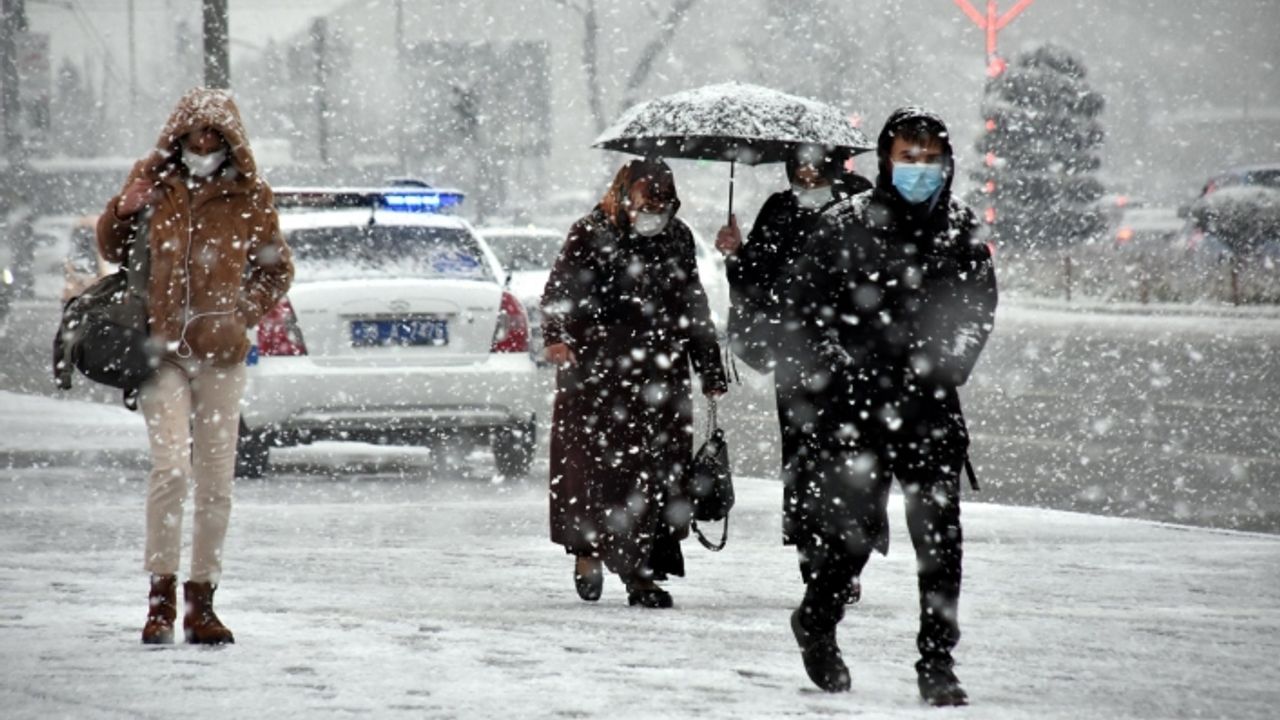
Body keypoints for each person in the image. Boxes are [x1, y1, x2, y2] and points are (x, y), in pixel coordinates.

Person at [782, 107, 998, 705]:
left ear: (946, 163)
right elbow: (804, 307)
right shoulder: (844, 223)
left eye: (929, 159)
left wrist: (946, 365)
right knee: (852, 537)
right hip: (855, 409)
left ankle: (937, 662)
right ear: (886, 160)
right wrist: (839, 368)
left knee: (940, 541)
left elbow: (977, 309)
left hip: (929, 408)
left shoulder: (960, 228)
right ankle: (817, 620)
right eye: (908, 157)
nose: (919, 169)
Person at [97, 88, 293, 645]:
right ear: (177, 135)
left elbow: (275, 271)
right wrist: (123, 209)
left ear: (231, 140)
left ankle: (200, 604)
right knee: (170, 471)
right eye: (194, 133)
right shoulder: (154, 182)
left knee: (215, 483)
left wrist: (240, 316)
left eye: (215, 135)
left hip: (222, 355)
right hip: (160, 352)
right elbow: (112, 249)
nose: (203, 143)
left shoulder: (250, 196)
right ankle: (159, 601)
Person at [541, 157, 728, 608]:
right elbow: (558, 291)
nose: (655, 209)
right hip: (597, 377)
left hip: (661, 374)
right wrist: (557, 338)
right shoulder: (590, 232)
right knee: (598, 474)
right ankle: (588, 548)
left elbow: (693, 303)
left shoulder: (677, 238)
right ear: (625, 193)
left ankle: (642, 573)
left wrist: (709, 367)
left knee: (657, 474)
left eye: (664, 201)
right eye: (648, 198)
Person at [714, 144, 871, 603]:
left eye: (813, 165)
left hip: (852, 358)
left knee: (850, 460)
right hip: (797, 359)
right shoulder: (780, 209)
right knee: (803, 460)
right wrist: (735, 254)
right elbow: (754, 282)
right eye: (798, 166)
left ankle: (846, 557)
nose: (805, 175)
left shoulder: (859, 204)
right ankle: (811, 552)